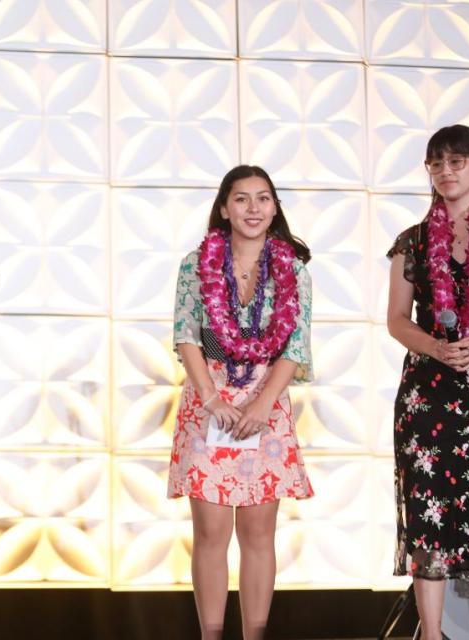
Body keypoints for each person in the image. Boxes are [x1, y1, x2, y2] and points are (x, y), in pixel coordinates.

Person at [167, 165, 314, 640]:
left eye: (263, 198)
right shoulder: (196, 263)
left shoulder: (293, 267)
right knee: (211, 536)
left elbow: (295, 347)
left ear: (275, 207)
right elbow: (185, 335)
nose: (254, 208)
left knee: (258, 534)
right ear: (225, 208)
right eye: (242, 199)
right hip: (209, 404)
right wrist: (211, 399)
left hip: (265, 404)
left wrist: (260, 406)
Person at [387, 124, 469, 640]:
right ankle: (433, 634)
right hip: (429, 394)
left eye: (457, 161)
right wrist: (438, 348)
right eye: (436, 164)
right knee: (429, 509)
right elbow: (398, 318)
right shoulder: (411, 241)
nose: (445, 172)